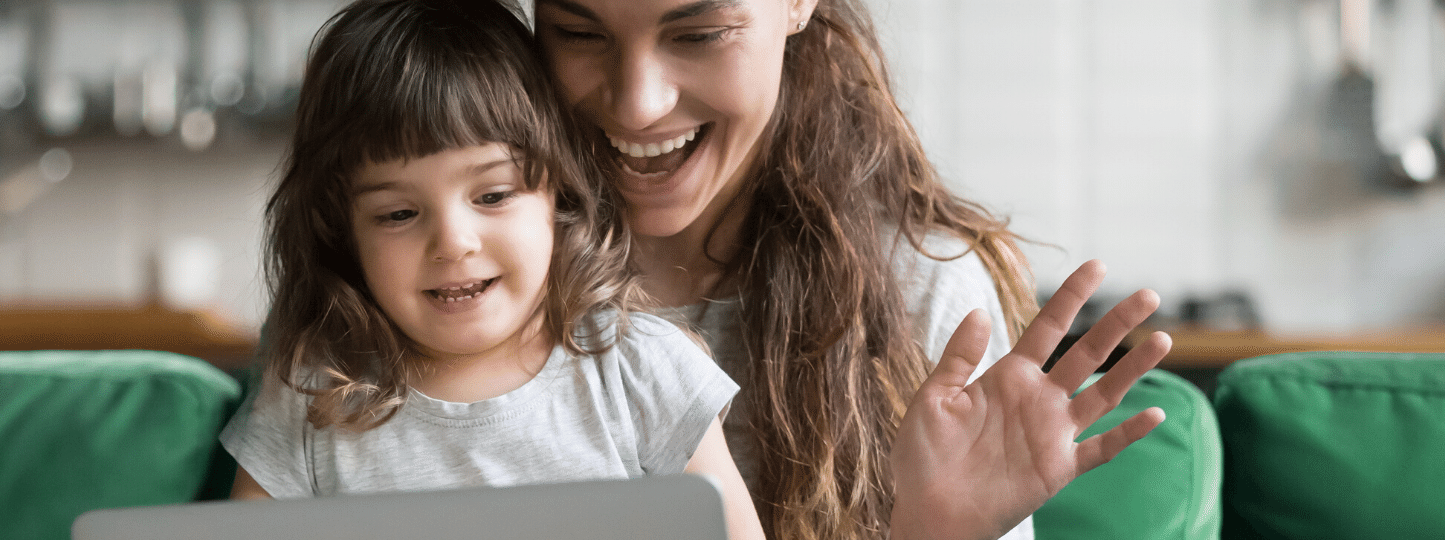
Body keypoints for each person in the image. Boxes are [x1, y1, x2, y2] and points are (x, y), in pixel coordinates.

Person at [528, 1, 1173, 539]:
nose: (639, 104)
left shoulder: (922, 292)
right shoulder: (461, 283)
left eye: (700, 35)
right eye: (579, 34)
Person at [217, 1, 767, 539]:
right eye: (398, 214)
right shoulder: (312, 395)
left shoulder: (642, 370)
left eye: (494, 194)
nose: (453, 243)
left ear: (558, 193)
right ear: (343, 232)